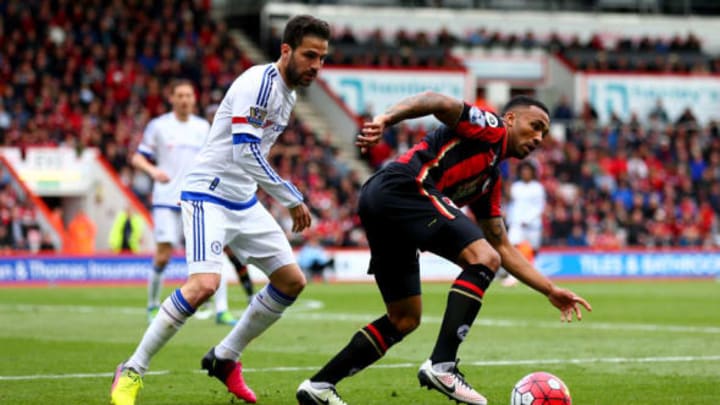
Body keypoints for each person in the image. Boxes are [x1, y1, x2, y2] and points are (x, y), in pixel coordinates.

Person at [296, 92, 592, 405]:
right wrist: (386, 118)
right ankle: (443, 365)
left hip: (383, 203)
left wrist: (549, 290)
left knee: (404, 318)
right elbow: (437, 101)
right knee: (483, 259)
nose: (538, 137)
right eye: (534, 126)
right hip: (404, 187)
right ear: (510, 119)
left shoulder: (489, 179)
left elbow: (502, 243)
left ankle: (320, 386)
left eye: (544, 133)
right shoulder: (490, 127)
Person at [110, 14, 330, 405]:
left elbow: (253, 156)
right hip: (207, 194)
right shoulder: (257, 85)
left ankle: (226, 356)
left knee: (292, 281)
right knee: (203, 286)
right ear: (286, 50)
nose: (316, 66)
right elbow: (245, 151)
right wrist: (290, 195)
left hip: (243, 200)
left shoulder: (290, 95)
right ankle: (131, 370)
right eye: (310, 55)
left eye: (322, 58)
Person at [129, 80, 238, 326]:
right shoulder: (159, 126)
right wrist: (153, 171)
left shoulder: (203, 128)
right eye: (180, 95)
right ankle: (152, 305)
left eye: (189, 95)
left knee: (212, 251)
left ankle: (221, 310)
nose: (185, 100)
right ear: (172, 98)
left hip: (198, 199)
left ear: (194, 99)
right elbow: (137, 157)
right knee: (164, 255)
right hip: (166, 199)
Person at [501, 161, 546, 287]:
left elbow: (539, 207)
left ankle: (533, 277)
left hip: (533, 225)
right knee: (512, 247)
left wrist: (529, 219)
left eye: (528, 171)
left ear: (532, 173)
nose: (525, 173)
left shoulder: (537, 187)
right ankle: (512, 275)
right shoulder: (516, 186)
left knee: (532, 250)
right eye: (523, 170)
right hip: (517, 223)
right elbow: (511, 203)